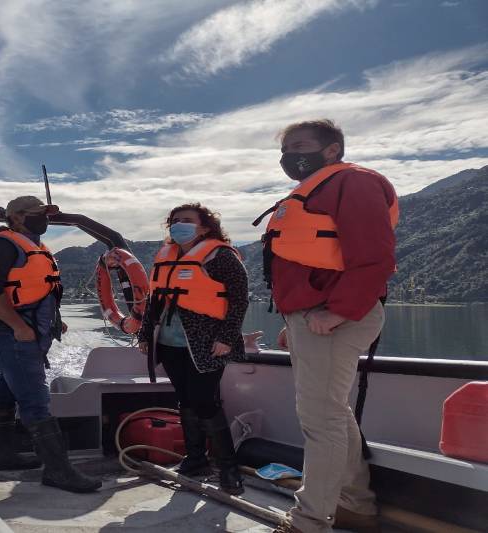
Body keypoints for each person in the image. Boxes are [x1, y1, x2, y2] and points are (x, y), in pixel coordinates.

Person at [258, 120, 398, 533]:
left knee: (320, 419)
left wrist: (338, 311)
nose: (290, 156)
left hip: (333, 315)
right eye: (285, 149)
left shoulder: (353, 183)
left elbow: (375, 256)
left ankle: (310, 521)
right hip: (312, 317)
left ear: (332, 149)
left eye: (299, 146)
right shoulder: (315, 191)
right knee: (331, 413)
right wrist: (294, 320)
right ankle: (355, 503)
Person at [0, 195, 101, 493]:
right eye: (37, 213)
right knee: (35, 400)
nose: (45, 218)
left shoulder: (36, 248)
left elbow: (40, 291)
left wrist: (56, 320)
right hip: (14, 334)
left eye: (46, 214)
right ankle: (58, 470)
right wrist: (18, 327)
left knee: (7, 392)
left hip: (30, 333)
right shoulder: (1, 244)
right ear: (16, 217)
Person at [138, 202, 249, 495]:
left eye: (186, 220)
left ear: (205, 226)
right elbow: (154, 300)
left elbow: (239, 300)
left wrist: (227, 337)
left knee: (204, 401)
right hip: (169, 341)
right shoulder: (165, 257)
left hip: (207, 342)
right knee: (185, 400)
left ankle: (228, 468)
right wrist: (145, 334)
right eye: (174, 221)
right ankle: (196, 459)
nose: (178, 225)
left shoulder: (221, 256)